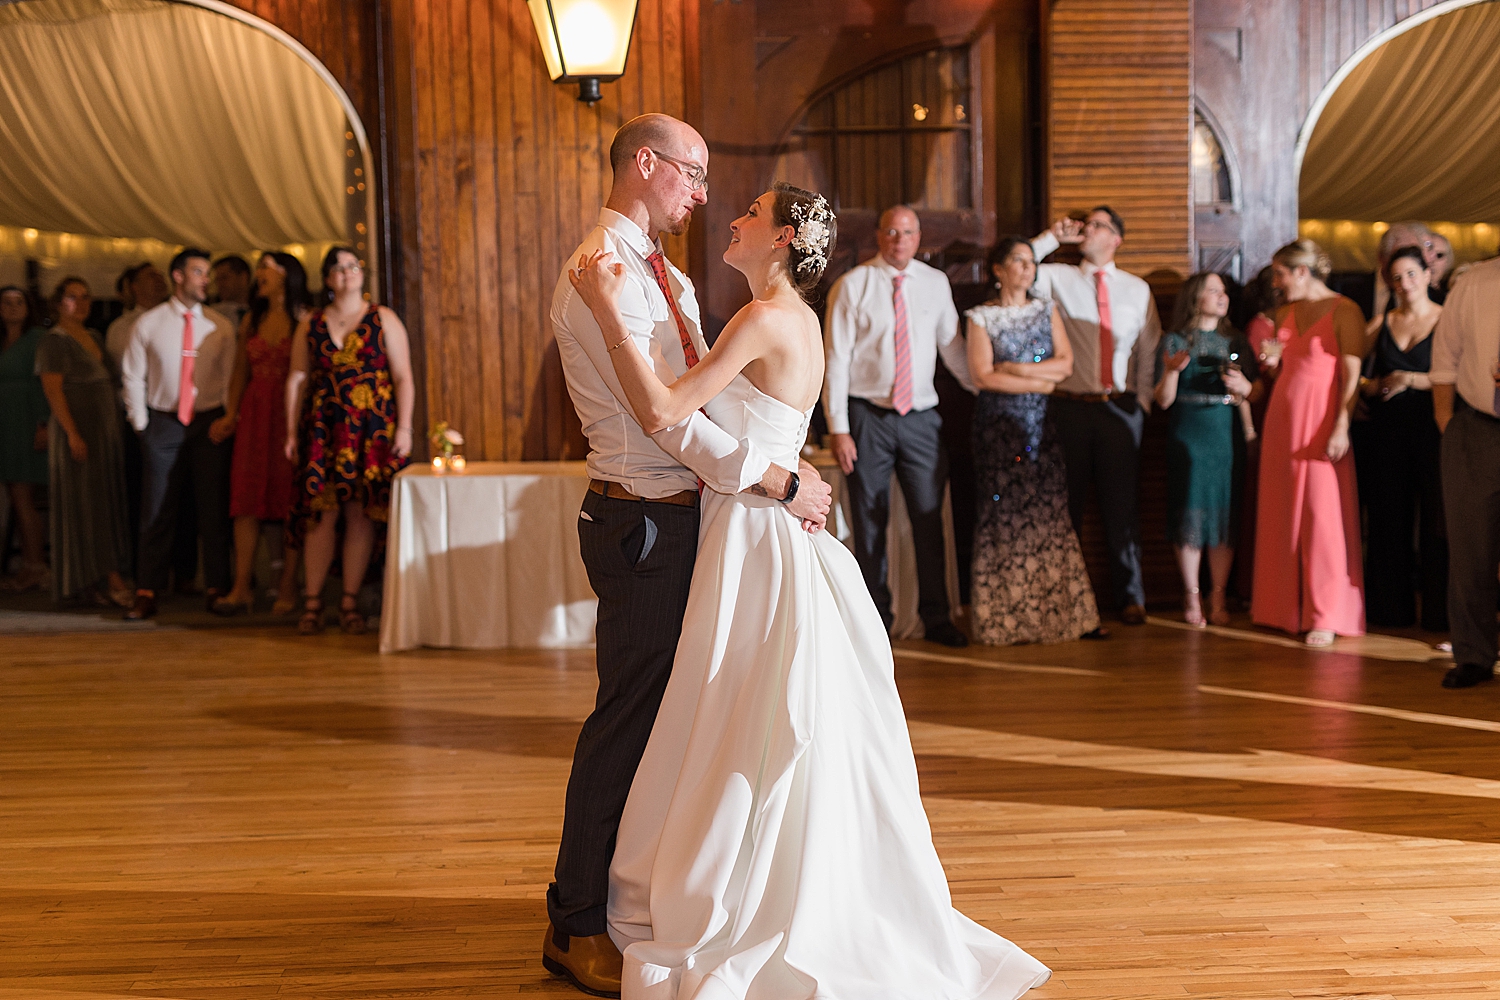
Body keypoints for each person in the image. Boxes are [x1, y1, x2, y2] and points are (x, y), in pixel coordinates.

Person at [570, 177, 1050, 999]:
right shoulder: (792, 318)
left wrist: (609, 312)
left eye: (751, 213)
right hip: (766, 525)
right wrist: (788, 477)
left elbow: (665, 412)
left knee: (735, 712)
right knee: (749, 715)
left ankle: (739, 892)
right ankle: (774, 879)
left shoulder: (762, 318)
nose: (733, 217)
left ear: (784, 238)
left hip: (754, 539)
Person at [543, 114, 833, 997]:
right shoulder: (603, 273)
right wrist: (778, 481)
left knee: (683, 723)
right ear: (646, 164)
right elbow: (667, 425)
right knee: (628, 720)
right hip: (642, 518)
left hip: (689, 522)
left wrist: (780, 458)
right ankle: (576, 920)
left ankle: (657, 894)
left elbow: (715, 402)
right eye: (694, 173)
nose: (704, 195)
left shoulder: (661, 271)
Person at [822, 204, 971, 646]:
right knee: (870, 523)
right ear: (879, 236)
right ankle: (877, 622)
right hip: (868, 418)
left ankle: (938, 617)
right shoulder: (853, 286)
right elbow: (837, 360)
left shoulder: (936, 284)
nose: (899, 240)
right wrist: (839, 427)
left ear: (918, 237)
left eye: (907, 232)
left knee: (929, 520)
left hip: (922, 419)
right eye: (891, 232)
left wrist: (985, 385)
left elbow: (953, 347)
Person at [1029, 208, 1163, 624]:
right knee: (1065, 508)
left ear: (1116, 239)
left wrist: (1139, 405)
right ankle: (1064, 602)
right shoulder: (1058, 277)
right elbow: (1021, 265)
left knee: (1121, 507)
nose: (1087, 230)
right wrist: (1053, 236)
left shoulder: (1137, 289)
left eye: (1097, 225)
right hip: (1069, 406)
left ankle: (1131, 597)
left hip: (1120, 410)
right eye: (1084, 225)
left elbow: (1147, 351)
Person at [964, 237, 1099, 644]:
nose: (1027, 268)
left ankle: (1056, 618)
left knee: (1049, 514)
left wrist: (1017, 370)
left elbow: (1066, 365)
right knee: (1002, 515)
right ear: (998, 269)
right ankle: (1005, 621)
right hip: (999, 428)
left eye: (1030, 261)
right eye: (1018, 261)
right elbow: (983, 376)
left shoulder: (1046, 309)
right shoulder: (980, 316)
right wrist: (1039, 379)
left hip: (1042, 427)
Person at [283, 247, 414, 635]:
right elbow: (296, 378)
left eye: (353, 266)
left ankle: (350, 602)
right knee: (320, 514)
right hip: (323, 428)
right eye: (338, 268)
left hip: (371, 428)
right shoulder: (310, 323)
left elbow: (403, 375)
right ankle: (312, 602)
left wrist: (404, 428)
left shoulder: (383, 318)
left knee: (360, 511)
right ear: (326, 278)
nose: (346, 273)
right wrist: (290, 432)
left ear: (362, 272)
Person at [1251, 239, 1365, 646]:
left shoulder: (1345, 310)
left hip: (1321, 421)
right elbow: (1282, 368)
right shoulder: (1285, 312)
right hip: (1282, 419)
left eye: (1281, 273)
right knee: (1283, 511)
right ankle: (1281, 608)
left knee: (1323, 516)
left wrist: (1341, 426)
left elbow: (1352, 375)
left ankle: (1327, 612)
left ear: (1302, 272)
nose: (1276, 282)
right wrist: (1270, 364)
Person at [121, 248, 237, 620]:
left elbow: (231, 377)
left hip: (209, 422)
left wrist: (227, 416)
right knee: (156, 510)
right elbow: (132, 375)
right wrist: (142, 424)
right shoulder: (149, 323)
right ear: (179, 276)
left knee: (213, 508)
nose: (207, 280)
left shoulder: (220, 326)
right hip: (163, 421)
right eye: (200, 273)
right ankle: (147, 589)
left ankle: (218, 587)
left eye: (208, 274)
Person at [1155, 272, 1259, 627]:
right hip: (1188, 430)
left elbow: (1251, 393)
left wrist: (1244, 395)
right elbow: (1163, 401)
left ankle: (1218, 595)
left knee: (1224, 515)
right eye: (1213, 290)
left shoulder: (1236, 339)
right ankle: (1192, 596)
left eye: (1224, 291)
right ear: (1194, 297)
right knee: (1190, 512)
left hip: (1225, 430)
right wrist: (1170, 372)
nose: (1222, 296)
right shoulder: (1175, 339)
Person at [211, 252, 307, 615]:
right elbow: (239, 372)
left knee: (289, 500)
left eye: (268, 266)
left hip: (288, 415)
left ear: (288, 275)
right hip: (254, 414)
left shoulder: (304, 320)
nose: (260, 273)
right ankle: (241, 587)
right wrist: (231, 413)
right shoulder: (252, 319)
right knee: (245, 500)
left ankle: (287, 585)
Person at [1357, 246, 1447, 631]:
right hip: (1386, 435)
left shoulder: (1447, 320)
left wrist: (1411, 379)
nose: (1404, 283)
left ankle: (1439, 616)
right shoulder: (1380, 324)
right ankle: (1390, 612)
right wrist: (1372, 385)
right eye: (1396, 277)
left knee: (1436, 524)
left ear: (1428, 275)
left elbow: (1457, 374)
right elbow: (1348, 373)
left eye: (1411, 274)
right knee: (1387, 521)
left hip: (1433, 431)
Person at [34, 278, 133, 606]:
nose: (81, 303)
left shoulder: (93, 336)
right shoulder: (54, 341)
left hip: (103, 429)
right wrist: (72, 433)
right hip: (76, 428)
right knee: (85, 504)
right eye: (73, 298)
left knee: (104, 499)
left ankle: (100, 577)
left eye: (85, 297)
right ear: (59, 302)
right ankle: (104, 576)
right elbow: (53, 390)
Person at [1430, 254, 1500, 689]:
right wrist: (1447, 423)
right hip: (1478, 429)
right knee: (1472, 547)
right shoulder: (1476, 281)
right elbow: (1445, 357)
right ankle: (1474, 654)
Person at [0, 286, 50, 591]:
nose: (13, 307)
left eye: (19, 302)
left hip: (26, 423)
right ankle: (27, 566)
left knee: (23, 497)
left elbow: (46, 383)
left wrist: (44, 423)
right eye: (6, 302)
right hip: (4, 424)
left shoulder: (37, 341)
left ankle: (36, 566)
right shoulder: (2, 342)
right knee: (13, 497)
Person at [105, 263, 168, 367]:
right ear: (135, 286)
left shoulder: (176, 319)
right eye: (152, 276)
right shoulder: (122, 327)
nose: (159, 280)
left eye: (161, 275)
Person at [209, 255, 252, 332]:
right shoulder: (212, 314)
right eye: (217, 280)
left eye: (224, 278)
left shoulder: (262, 313)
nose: (220, 284)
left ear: (243, 277)